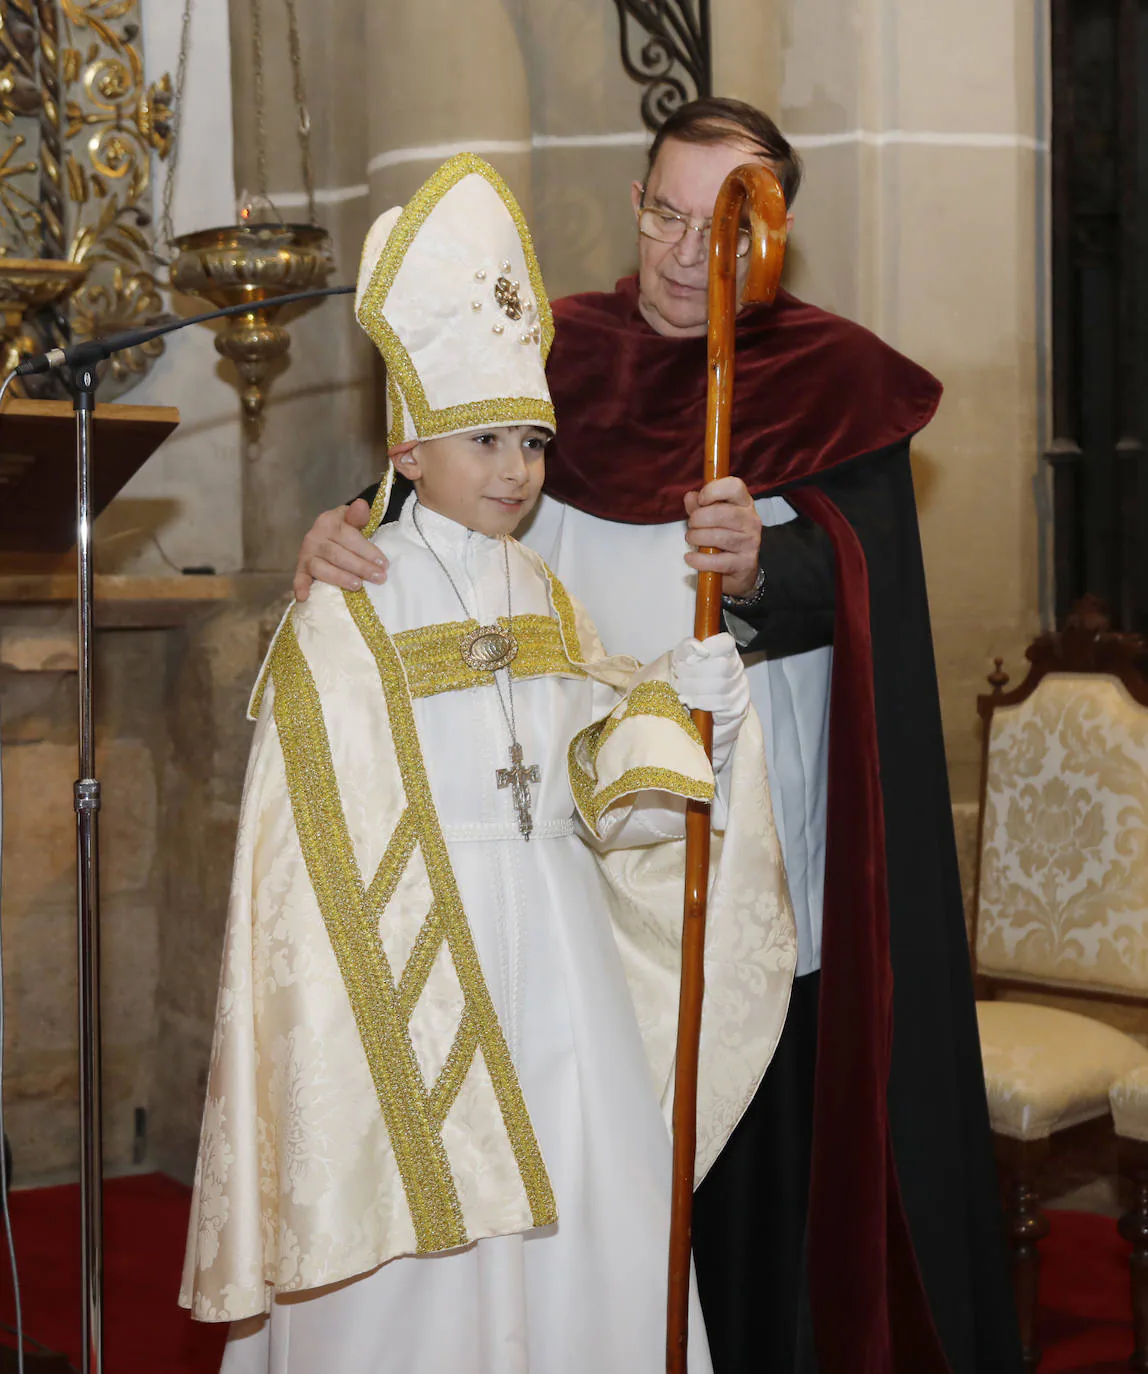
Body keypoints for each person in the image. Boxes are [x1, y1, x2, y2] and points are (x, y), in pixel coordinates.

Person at [293, 101, 1023, 1373]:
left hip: (746, 857)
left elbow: (870, 594)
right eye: (661, 215)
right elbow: (444, 500)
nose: (683, 256)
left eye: (717, 229)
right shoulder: (553, 356)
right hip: (567, 848)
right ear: (635, 203)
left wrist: (765, 566)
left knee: (748, 1169)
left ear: (773, 241)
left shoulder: (824, 379)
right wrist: (342, 534)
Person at [180, 153, 796, 1374]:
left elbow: (591, 783)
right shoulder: (347, 598)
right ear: (405, 450)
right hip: (407, 974)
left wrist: (685, 712)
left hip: (554, 965)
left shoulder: (540, 591)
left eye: (529, 439)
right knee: (430, 1272)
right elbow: (310, 839)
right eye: (481, 441)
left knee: (585, 1213)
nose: (514, 468)